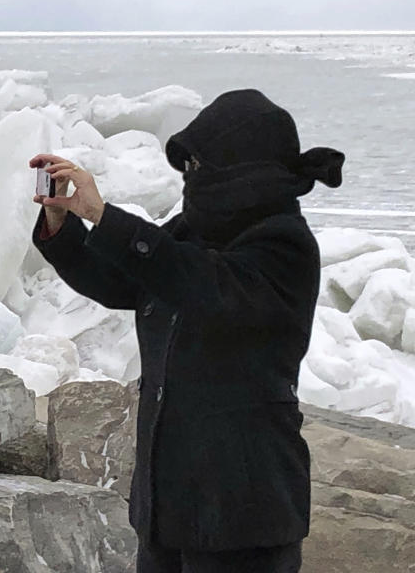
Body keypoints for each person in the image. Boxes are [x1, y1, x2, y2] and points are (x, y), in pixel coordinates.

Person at [29, 89, 345, 573]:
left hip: (242, 511)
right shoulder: (192, 233)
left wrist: (104, 216)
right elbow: (125, 281)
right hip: (170, 503)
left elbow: (205, 287)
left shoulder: (284, 245)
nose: (191, 178)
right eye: (190, 166)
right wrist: (64, 225)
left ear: (240, 169)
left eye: (201, 165)